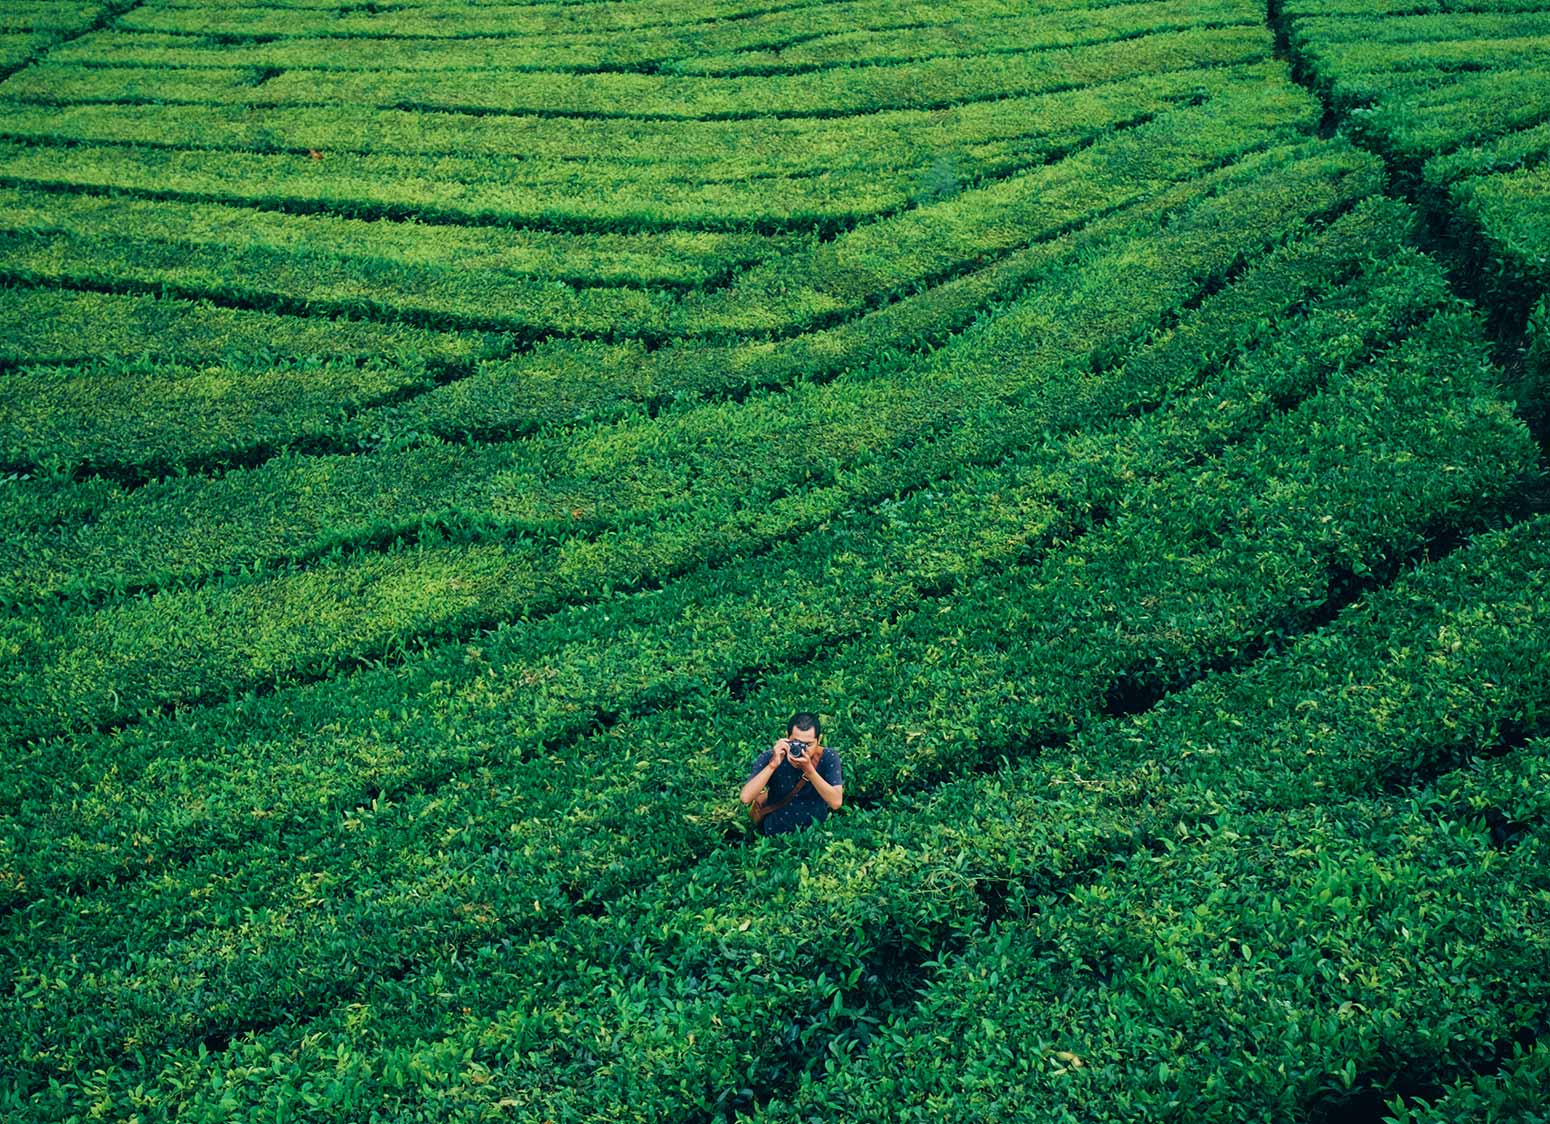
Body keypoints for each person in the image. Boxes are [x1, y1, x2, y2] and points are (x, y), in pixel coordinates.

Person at [739, 711, 843, 835]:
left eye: (808, 744)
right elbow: (745, 798)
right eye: (796, 743)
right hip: (774, 834)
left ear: (819, 740)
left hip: (814, 835)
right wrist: (772, 765)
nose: (802, 750)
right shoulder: (770, 756)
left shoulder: (828, 757)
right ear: (786, 738)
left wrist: (809, 770)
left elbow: (836, 802)